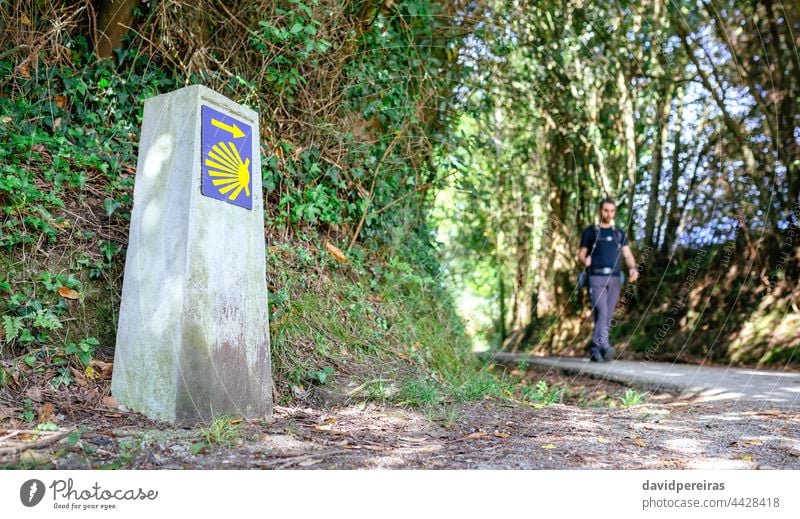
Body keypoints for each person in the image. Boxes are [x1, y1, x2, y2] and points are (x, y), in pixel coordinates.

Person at [577, 198, 639, 362]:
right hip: (596, 277)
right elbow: (581, 254)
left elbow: (627, 255)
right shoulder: (590, 232)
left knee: (606, 314)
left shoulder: (619, 234)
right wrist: (585, 260)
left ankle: (595, 349)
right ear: (600, 211)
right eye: (605, 210)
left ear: (614, 213)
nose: (608, 213)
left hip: (615, 279)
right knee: (602, 311)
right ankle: (604, 345)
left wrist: (633, 268)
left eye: (612, 211)